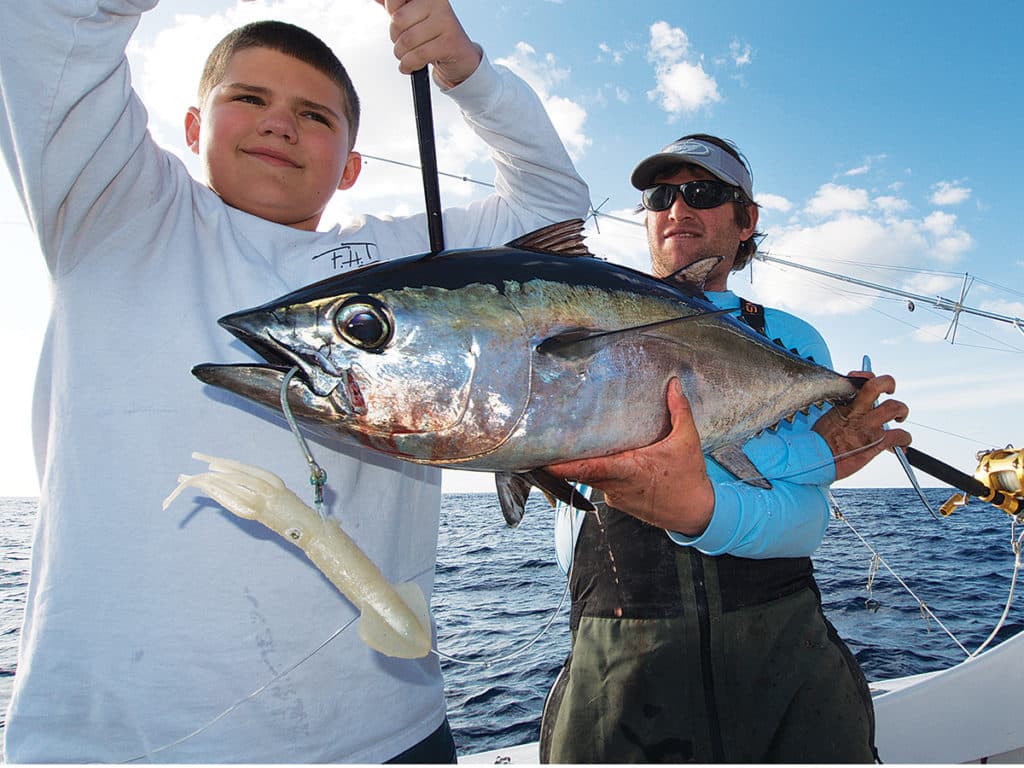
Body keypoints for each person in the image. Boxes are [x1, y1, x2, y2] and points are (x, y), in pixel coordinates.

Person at [0, 0, 588, 762]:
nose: (279, 124)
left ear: (350, 167)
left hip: (387, 731)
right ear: (191, 128)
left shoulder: (404, 256)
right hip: (111, 741)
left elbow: (552, 206)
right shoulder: (112, 206)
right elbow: (48, 20)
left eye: (314, 114)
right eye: (248, 98)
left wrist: (464, 69)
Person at [538, 134, 910, 763]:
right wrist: (791, 462)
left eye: (704, 194)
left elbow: (805, 522)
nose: (677, 210)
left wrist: (704, 503)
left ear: (747, 221)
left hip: (784, 659)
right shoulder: (587, 317)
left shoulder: (788, 338)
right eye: (661, 196)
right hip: (620, 667)